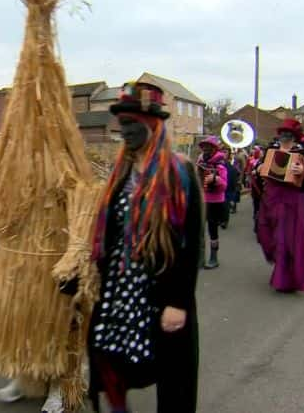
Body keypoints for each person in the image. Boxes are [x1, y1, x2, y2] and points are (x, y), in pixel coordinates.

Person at [89, 81, 204, 413]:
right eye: (121, 124)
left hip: (160, 291)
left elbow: (190, 243)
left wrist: (178, 302)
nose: (124, 131)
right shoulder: (120, 172)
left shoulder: (180, 173)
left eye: (131, 125)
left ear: (152, 126)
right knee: (109, 360)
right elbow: (108, 231)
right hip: (119, 290)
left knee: (172, 376)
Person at [256, 119, 304, 293]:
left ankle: (284, 278)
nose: (284, 136)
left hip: (292, 199)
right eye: (282, 133)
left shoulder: (302, 153)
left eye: (287, 133)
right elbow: (261, 168)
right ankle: (280, 262)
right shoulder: (271, 150)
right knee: (265, 233)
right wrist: (258, 168)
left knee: (285, 238)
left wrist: (303, 172)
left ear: (293, 136)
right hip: (271, 197)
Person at [197, 136, 228, 269]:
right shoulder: (199, 163)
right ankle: (200, 257)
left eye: (208, 147)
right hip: (201, 200)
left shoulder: (220, 166)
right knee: (199, 229)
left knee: (212, 229)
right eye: (204, 147)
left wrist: (216, 179)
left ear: (214, 149)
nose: (205, 150)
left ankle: (214, 257)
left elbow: (224, 186)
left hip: (215, 201)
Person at [248, 146, 265, 234]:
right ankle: (257, 225)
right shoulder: (254, 161)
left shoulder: (265, 162)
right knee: (256, 207)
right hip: (256, 188)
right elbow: (250, 171)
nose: (260, 153)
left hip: (263, 190)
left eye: (260, 152)